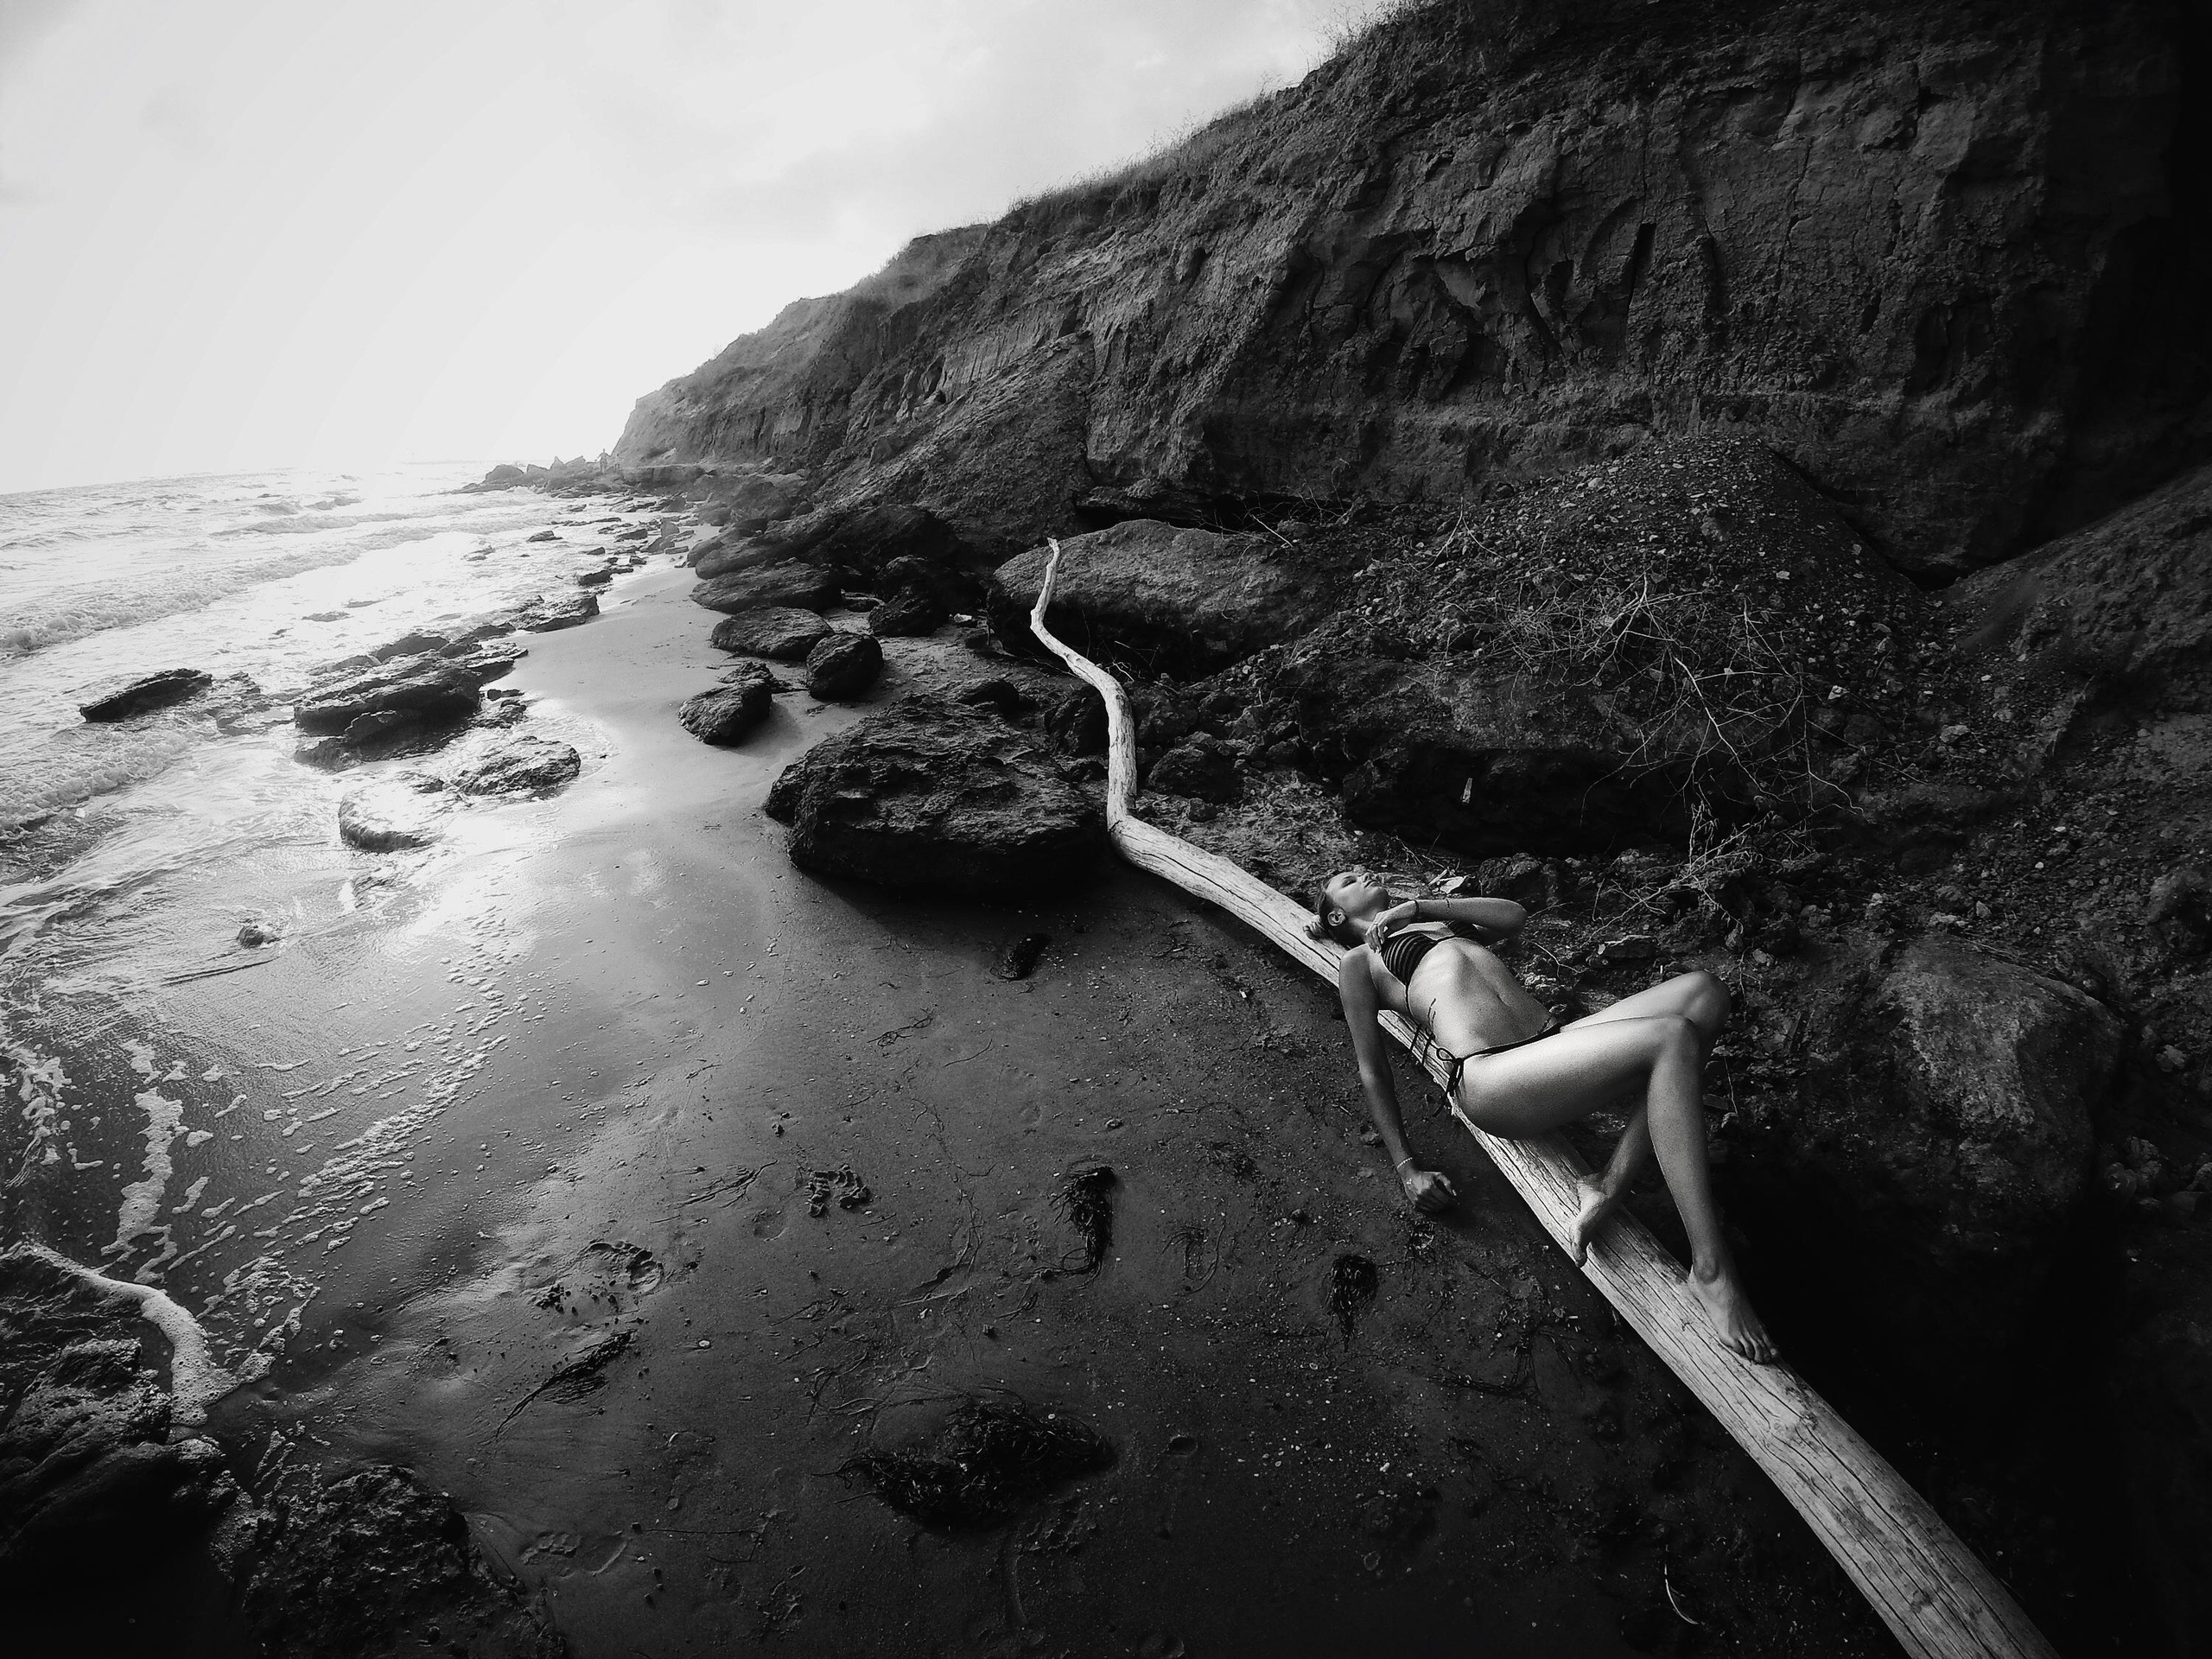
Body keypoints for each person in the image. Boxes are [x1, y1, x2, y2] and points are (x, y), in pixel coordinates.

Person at [1313, 867, 1775, 1363]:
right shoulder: (1360, 962)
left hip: (1554, 1047)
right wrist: (1406, 1167)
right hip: (1492, 1077)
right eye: (1346, 878)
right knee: (1672, 1036)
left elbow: (1514, 917)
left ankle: (1606, 1182)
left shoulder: (1430, 922)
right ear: (1336, 913)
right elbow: (1372, 1071)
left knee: (1704, 992)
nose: (1362, 872)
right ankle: (1710, 1268)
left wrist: (1420, 907)